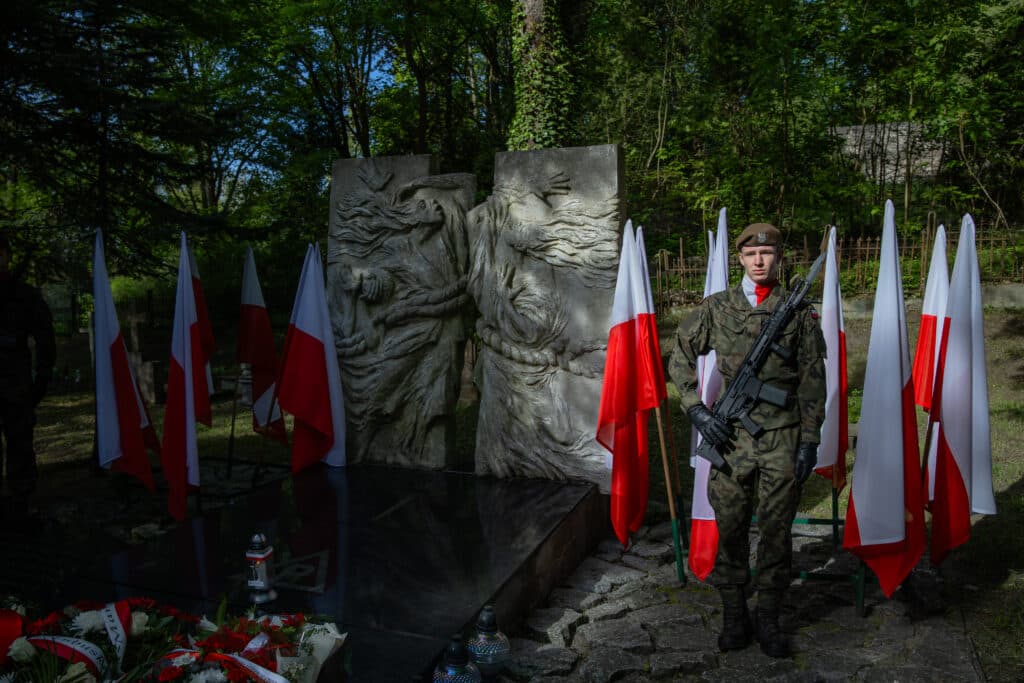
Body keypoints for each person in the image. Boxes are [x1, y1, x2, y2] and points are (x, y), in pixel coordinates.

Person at [668, 222, 826, 658]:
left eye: (769, 253)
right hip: (731, 440)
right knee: (731, 529)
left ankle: (770, 618)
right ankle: (734, 615)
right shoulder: (717, 308)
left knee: (777, 533)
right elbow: (679, 354)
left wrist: (809, 440)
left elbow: (814, 381)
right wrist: (696, 409)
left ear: (779, 257)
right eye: (752, 255)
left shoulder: (797, 313)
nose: (760, 261)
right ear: (739, 258)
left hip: (781, 437)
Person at [0, 233, 56, 518]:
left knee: (20, 446)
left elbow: (46, 339)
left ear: (7, 256)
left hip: (16, 388)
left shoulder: (24, 296)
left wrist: (40, 382)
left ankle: (21, 504)